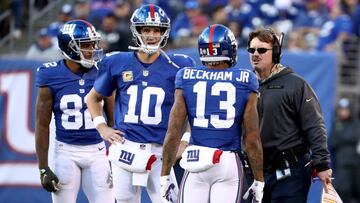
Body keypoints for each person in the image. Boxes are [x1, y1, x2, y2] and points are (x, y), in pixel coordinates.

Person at [86, 4, 195, 203]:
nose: (152, 35)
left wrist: (185, 139)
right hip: (126, 148)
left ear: (164, 32)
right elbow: (92, 97)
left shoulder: (179, 65)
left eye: (156, 30)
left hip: (162, 151)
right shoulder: (117, 61)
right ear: (137, 31)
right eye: (146, 30)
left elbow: (189, 108)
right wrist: (101, 126)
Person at [161, 24, 264, 203]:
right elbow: (252, 139)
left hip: (195, 160)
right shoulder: (245, 79)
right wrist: (259, 180)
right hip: (227, 162)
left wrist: (164, 175)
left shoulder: (186, 76)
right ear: (230, 50)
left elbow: (173, 132)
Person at [247, 27, 332, 203]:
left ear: (276, 53)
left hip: (291, 173)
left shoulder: (296, 84)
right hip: (255, 174)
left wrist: (322, 164)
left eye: (261, 50)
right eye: (252, 50)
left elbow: (314, 126)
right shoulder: (245, 86)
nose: (255, 54)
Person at [35, 20, 114, 203]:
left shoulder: (103, 70)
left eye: (93, 43)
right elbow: (42, 124)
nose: (92, 49)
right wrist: (43, 167)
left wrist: (116, 158)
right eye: (86, 45)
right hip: (65, 152)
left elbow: (113, 119)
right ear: (68, 47)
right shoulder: (50, 75)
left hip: (97, 151)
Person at [329, 98, 360, 203]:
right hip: (341, 163)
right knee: (343, 191)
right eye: (341, 109)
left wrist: (343, 138)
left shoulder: (356, 124)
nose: (343, 112)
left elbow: (356, 137)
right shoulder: (336, 124)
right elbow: (332, 142)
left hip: (356, 163)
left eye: (346, 109)